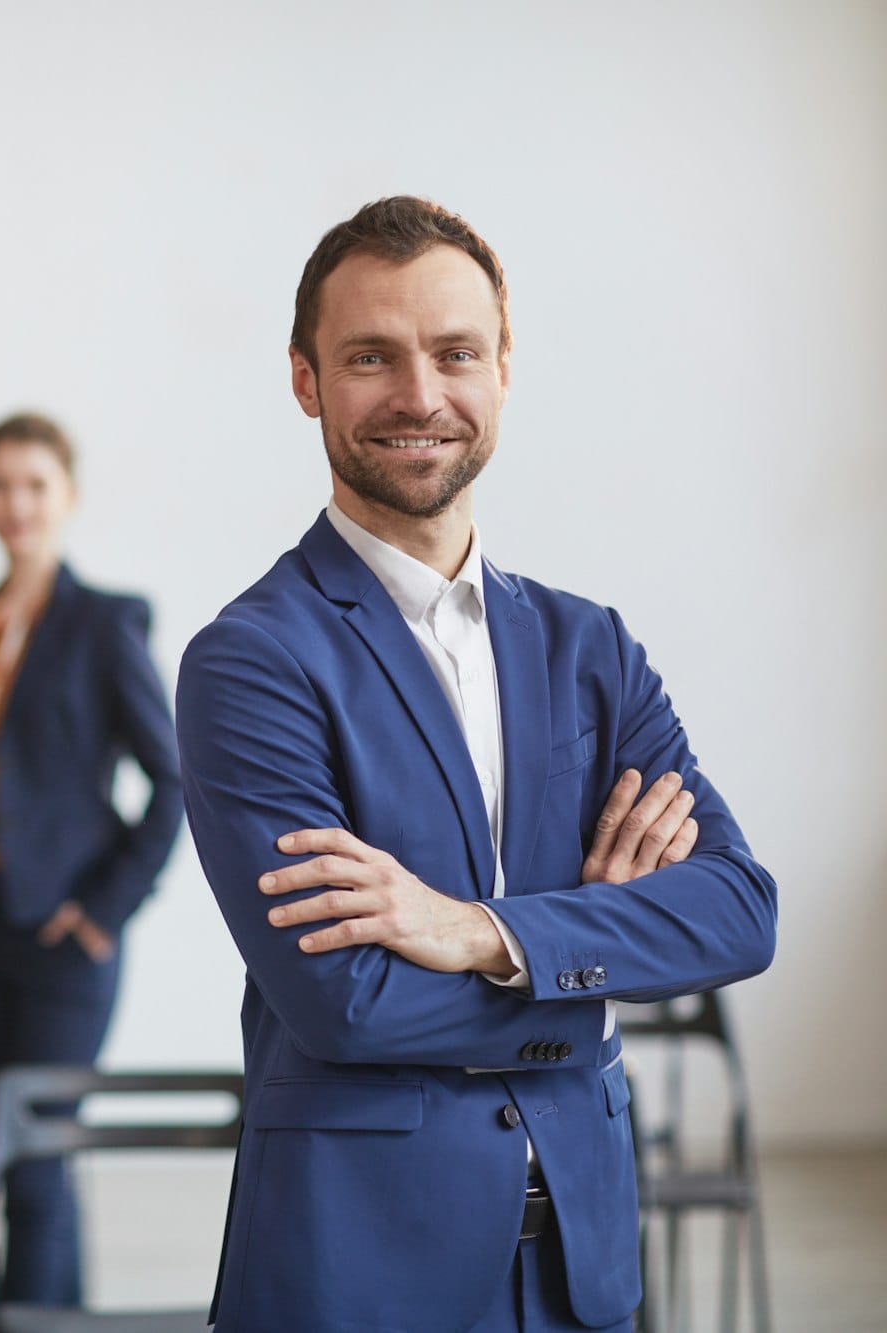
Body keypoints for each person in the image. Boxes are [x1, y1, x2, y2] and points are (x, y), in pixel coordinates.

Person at [176, 196, 779, 1331]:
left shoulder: (587, 646)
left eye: (454, 353)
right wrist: (593, 986)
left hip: (578, 1271)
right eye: (369, 357)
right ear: (305, 379)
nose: (418, 394)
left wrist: (479, 933)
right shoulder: (250, 659)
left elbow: (737, 912)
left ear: (502, 368)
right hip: (357, 1269)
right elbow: (343, 1001)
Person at [0, 412, 181, 1305]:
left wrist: (105, 910)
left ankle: (41, 1319)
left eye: (35, 484)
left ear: (67, 495)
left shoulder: (104, 622)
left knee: (38, 1156)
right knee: (8, 1153)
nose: (16, 503)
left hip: (64, 929)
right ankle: (27, 1316)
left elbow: (174, 780)